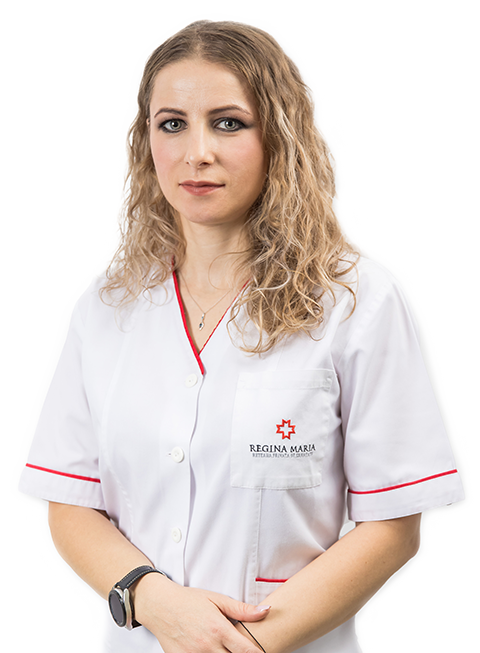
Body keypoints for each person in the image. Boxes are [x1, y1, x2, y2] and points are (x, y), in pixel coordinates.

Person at [18, 19, 464, 653]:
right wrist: (154, 602)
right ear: (146, 140)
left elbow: (392, 527)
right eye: (172, 123)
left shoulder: (354, 301)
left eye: (228, 123)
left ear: (279, 136)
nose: (197, 152)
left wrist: (238, 647)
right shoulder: (109, 307)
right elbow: (69, 501)